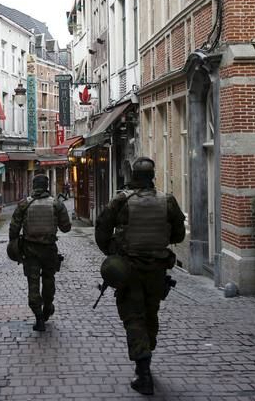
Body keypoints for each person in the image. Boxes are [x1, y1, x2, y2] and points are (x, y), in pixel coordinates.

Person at [95, 157, 185, 395]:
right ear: (152, 176)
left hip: (130, 269)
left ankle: (143, 370)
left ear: (133, 176)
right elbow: (178, 234)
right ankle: (146, 350)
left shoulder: (121, 200)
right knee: (151, 311)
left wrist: (112, 253)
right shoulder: (168, 201)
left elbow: (102, 229)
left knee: (133, 316)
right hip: (157, 269)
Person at [9, 172, 72, 331]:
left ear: (33, 186)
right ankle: (48, 306)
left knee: (33, 282)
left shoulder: (24, 204)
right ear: (47, 186)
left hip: (30, 251)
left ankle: (38, 316)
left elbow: (13, 229)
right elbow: (66, 228)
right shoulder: (56, 204)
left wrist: (15, 246)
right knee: (49, 279)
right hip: (49, 250)